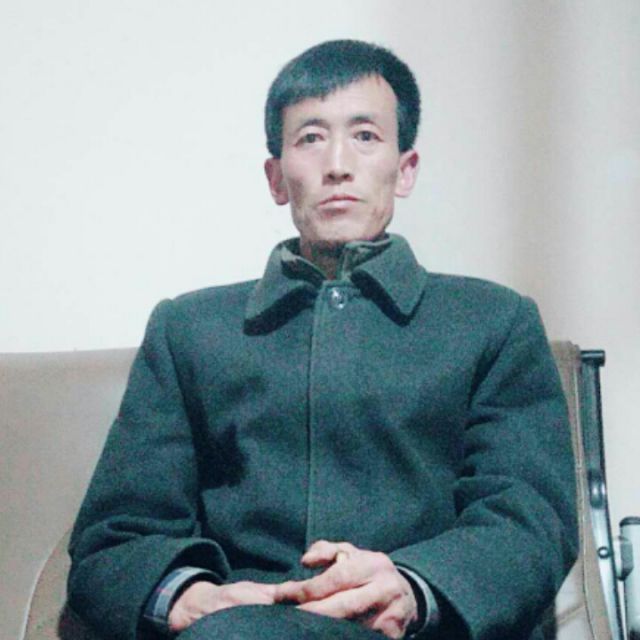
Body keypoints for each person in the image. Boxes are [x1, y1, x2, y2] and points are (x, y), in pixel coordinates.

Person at [68, 40, 578, 640]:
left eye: (365, 136)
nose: (337, 164)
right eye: (310, 138)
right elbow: (115, 537)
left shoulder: (493, 321)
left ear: (405, 168)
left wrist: (412, 588)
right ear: (276, 177)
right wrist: (188, 597)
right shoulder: (190, 330)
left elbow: (529, 523)